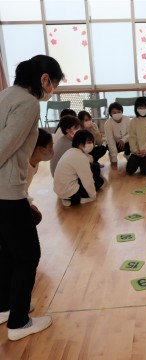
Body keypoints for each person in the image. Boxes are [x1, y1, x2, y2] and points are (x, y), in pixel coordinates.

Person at [0, 55, 63, 341]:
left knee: (7, 252)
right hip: (7, 191)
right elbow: (5, 147)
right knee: (28, 254)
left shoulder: (6, 94)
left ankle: (5, 307)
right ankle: (19, 322)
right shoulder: (27, 103)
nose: (53, 90)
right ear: (44, 79)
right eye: (54, 83)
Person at [53, 130, 104, 206]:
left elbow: (89, 159)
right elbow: (87, 180)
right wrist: (93, 196)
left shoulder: (71, 151)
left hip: (60, 189)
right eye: (88, 142)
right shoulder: (80, 157)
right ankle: (74, 200)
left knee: (95, 168)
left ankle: (69, 198)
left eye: (91, 142)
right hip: (68, 191)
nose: (91, 144)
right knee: (99, 181)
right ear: (79, 143)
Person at [26, 128, 54, 225]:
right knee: (35, 216)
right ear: (41, 149)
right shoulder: (23, 167)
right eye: (51, 146)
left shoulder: (34, 163)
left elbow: (24, 189)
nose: (52, 150)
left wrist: (30, 203)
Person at [104, 102, 131, 169]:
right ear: (110, 114)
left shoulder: (127, 119)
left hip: (125, 141)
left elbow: (131, 133)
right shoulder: (108, 124)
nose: (117, 114)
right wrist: (114, 160)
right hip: (115, 143)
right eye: (114, 112)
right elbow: (110, 141)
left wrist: (123, 140)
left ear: (122, 112)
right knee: (109, 146)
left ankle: (127, 154)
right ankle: (111, 154)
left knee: (133, 142)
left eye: (119, 112)